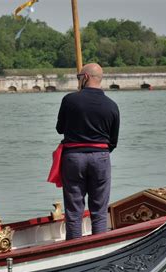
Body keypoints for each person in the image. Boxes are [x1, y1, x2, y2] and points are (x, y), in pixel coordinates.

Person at [53, 63, 120, 240]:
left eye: (78, 77)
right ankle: (99, 247)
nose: (78, 80)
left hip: (73, 158)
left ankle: (74, 249)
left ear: (86, 77)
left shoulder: (70, 100)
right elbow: (113, 141)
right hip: (100, 157)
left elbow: (60, 129)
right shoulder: (112, 106)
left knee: (74, 210)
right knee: (99, 209)